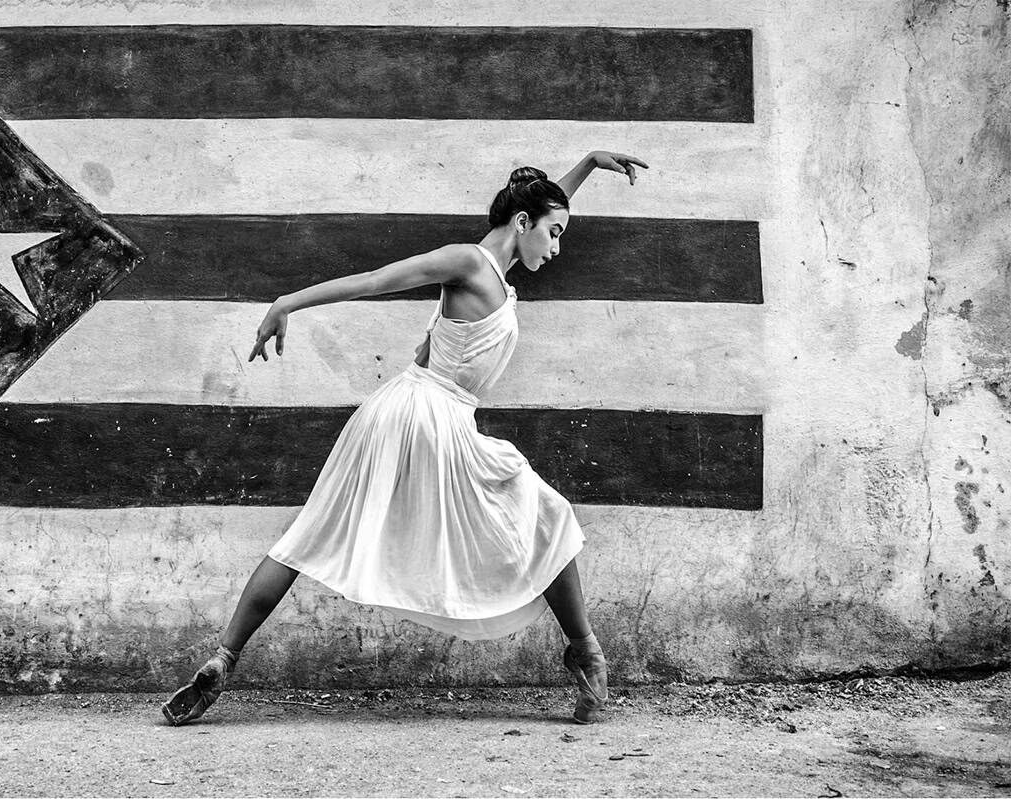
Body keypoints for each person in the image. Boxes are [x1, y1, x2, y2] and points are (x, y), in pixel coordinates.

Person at [162, 150, 648, 727]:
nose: (557, 248)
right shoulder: (467, 261)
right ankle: (587, 655)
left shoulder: (494, 271)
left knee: (307, 535)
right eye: (555, 234)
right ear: (522, 223)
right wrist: (287, 302)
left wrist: (588, 163)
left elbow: (543, 204)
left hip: (399, 412)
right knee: (547, 514)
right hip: (431, 414)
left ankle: (223, 658)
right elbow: (376, 280)